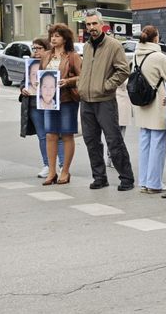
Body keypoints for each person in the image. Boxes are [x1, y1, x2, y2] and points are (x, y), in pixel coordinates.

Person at [78, 10, 135, 192]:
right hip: (86, 101)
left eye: (94, 24)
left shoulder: (113, 45)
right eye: (88, 24)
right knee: (91, 141)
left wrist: (106, 86)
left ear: (101, 24)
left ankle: (126, 178)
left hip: (105, 100)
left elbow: (124, 70)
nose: (91, 28)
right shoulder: (86, 47)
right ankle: (99, 178)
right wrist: (81, 86)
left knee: (114, 140)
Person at [133, 25, 166, 194]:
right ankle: (154, 183)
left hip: (142, 104)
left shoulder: (136, 54)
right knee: (158, 143)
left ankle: (143, 181)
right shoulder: (158, 57)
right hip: (157, 103)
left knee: (144, 142)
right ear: (156, 38)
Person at [40, 24, 81, 185]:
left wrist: (68, 81)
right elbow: (41, 74)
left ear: (65, 38)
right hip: (49, 100)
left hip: (67, 100)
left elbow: (82, 76)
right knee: (50, 134)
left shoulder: (73, 56)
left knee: (67, 134)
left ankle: (65, 171)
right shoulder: (46, 56)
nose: (53, 38)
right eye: (52, 35)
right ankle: (51, 172)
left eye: (57, 35)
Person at [19, 38, 62, 179]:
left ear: (47, 49)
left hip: (49, 102)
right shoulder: (30, 64)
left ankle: (61, 164)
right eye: (34, 48)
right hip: (33, 103)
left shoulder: (53, 62)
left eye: (39, 48)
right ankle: (47, 165)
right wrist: (23, 88)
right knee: (42, 136)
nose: (36, 51)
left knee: (56, 134)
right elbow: (23, 81)